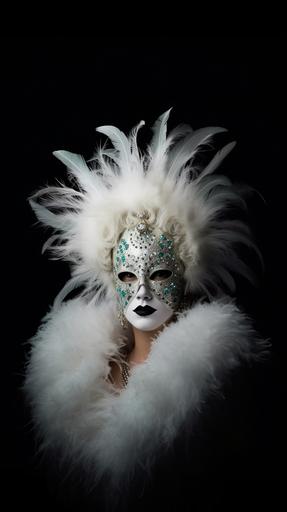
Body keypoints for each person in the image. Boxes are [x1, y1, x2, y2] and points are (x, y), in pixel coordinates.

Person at [24, 109, 267, 508]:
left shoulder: (221, 384)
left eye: (158, 273)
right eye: (126, 277)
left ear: (185, 273)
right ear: (110, 277)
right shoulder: (69, 382)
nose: (141, 292)